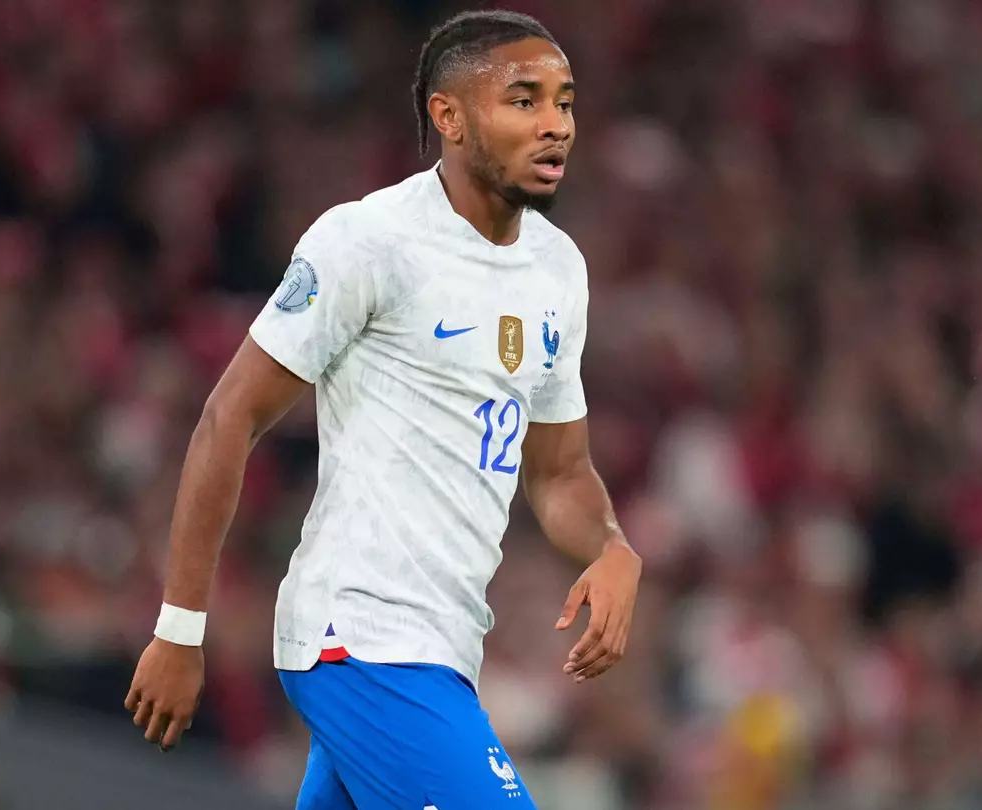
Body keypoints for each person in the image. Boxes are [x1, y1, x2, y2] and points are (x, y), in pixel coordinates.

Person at [123, 9, 642, 809]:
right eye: (524, 101)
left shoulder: (557, 270)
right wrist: (180, 628)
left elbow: (559, 471)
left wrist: (610, 547)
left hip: (443, 645)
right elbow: (229, 418)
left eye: (565, 103)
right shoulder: (370, 241)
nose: (554, 127)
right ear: (450, 117)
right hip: (360, 638)